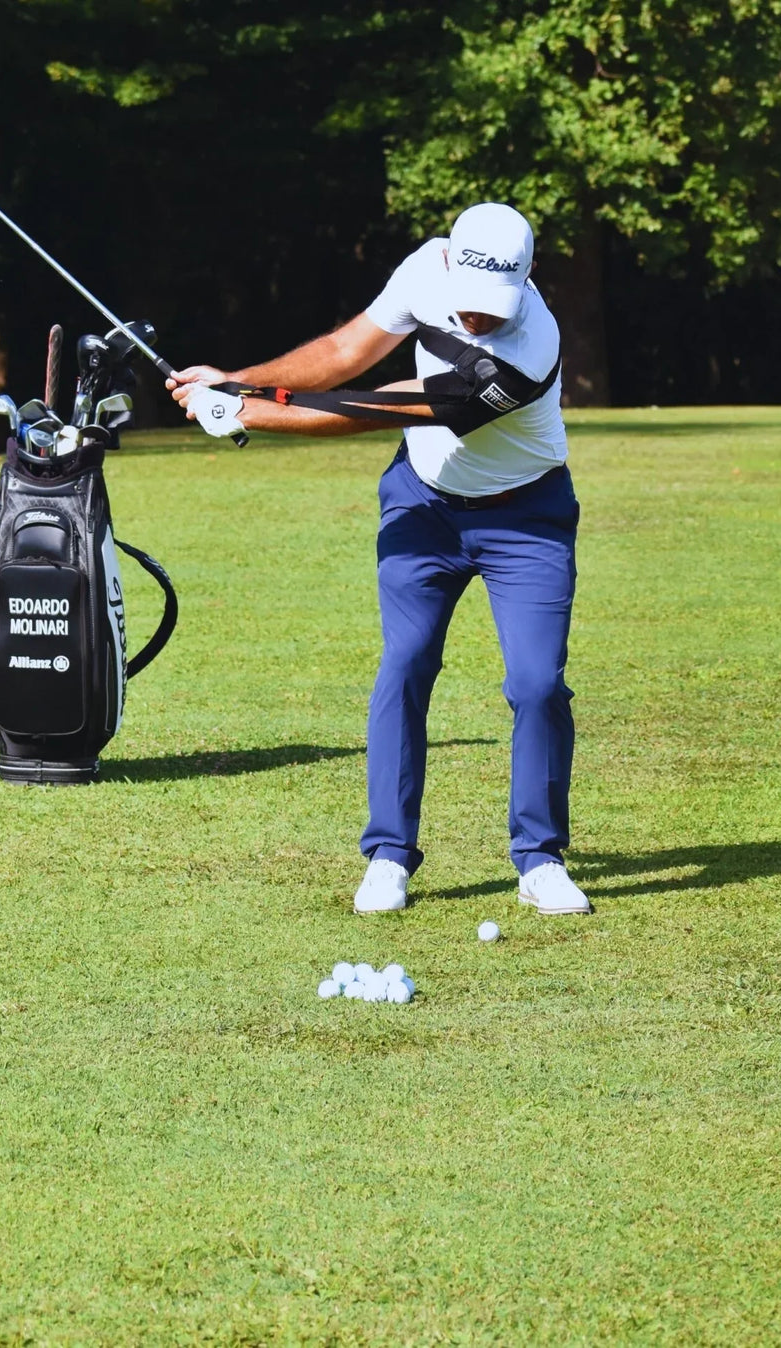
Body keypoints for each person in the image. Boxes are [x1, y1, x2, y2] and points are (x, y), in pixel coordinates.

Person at [167, 203, 590, 917]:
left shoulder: (527, 351)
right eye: (469, 305)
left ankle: (539, 859)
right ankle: (389, 856)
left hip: (528, 517)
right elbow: (342, 354)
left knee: (535, 683)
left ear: (529, 277)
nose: (480, 320)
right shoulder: (425, 267)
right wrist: (236, 382)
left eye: (496, 306)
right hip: (422, 506)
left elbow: (380, 404)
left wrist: (247, 414)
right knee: (405, 663)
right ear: (449, 264)